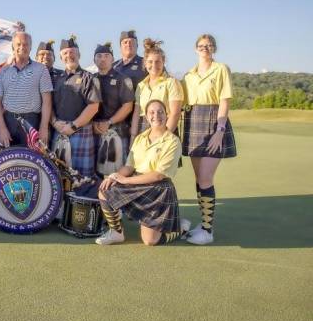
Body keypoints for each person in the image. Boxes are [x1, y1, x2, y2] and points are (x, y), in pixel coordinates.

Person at [95, 100, 191, 246]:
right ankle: (116, 232)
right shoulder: (140, 138)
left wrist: (125, 181)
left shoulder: (173, 141)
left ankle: (181, 228)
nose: (156, 116)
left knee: (150, 241)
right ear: (146, 116)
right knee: (105, 189)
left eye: (160, 112)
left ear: (167, 115)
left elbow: (158, 175)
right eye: (151, 112)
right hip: (137, 183)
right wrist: (115, 176)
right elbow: (129, 166)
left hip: (159, 189)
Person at [182, 34, 237, 245]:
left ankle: (207, 230)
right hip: (193, 122)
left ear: (213, 48)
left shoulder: (221, 69)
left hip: (215, 122)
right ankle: (203, 223)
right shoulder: (188, 74)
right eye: (201, 45)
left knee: (206, 178)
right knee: (199, 179)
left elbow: (224, 100)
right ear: (196, 49)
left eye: (209, 45)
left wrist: (220, 130)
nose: (205, 48)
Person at [50, 35, 101, 176]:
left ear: (78, 54)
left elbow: (93, 107)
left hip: (80, 131)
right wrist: (54, 122)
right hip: (59, 130)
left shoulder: (88, 77)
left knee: (81, 178)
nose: (69, 55)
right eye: (65, 53)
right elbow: (49, 105)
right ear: (61, 57)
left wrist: (73, 126)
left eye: (72, 52)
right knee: (57, 176)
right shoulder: (56, 79)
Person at [0, 31, 53, 147]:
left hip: (33, 122)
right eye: (18, 44)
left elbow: (47, 101)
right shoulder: (4, 70)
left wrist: (43, 127)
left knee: (31, 163)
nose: (22, 47)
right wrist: (1, 128)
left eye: (25, 44)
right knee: (8, 163)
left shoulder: (41, 69)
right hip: (8, 122)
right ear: (13, 47)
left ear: (30, 48)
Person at [92, 42, 135, 173]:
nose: (102, 59)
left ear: (112, 58)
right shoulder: (90, 79)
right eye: (99, 56)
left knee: (118, 174)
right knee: (95, 174)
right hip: (95, 131)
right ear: (94, 59)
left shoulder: (122, 79)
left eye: (106, 55)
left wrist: (109, 122)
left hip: (118, 131)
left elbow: (128, 106)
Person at [131, 39, 184, 139]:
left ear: (163, 62)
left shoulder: (172, 83)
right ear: (145, 63)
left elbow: (175, 114)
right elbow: (137, 114)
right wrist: (133, 137)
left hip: (166, 130)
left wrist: (163, 138)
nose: (154, 65)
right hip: (143, 132)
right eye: (150, 62)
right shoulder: (141, 86)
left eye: (158, 62)